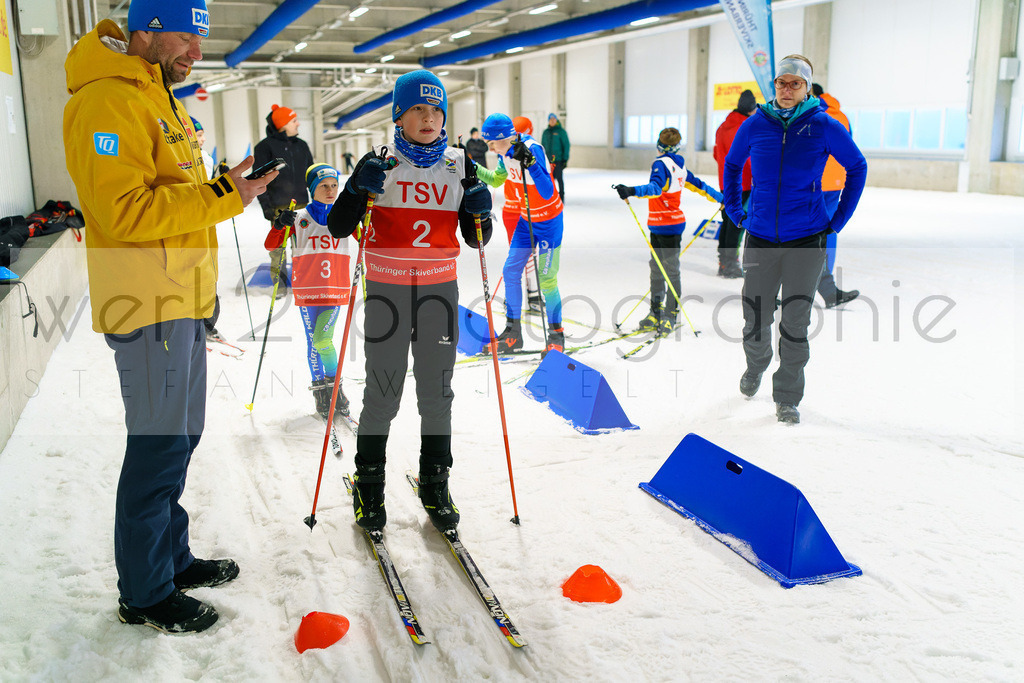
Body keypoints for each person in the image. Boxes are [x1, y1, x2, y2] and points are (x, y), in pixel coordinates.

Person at [63, 0, 277, 633]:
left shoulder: (156, 95)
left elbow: (176, 192)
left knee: (180, 440)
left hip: (179, 298)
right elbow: (125, 211)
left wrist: (224, 188)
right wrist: (222, 195)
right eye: (187, 36)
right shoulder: (107, 101)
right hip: (147, 302)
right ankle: (145, 593)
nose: (197, 52)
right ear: (148, 31)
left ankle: (171, 559)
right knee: (157, 449)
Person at [327, 70, 493, 532]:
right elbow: (339, 226)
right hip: (389, 293)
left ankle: (435, 482)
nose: (429, 118)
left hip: (439, 293)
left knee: (437, 392)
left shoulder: (460, 165)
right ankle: (369, 483)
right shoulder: (379, 162)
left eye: (436, 109)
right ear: (399, 115)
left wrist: (482, 211)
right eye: (418, 108)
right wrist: (355, 189)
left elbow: (477, 239)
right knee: (383, 392)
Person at [723, 55, 867, 424]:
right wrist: (735, 209)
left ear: (806, 88)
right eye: (781, 82)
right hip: (760, 238)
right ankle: (757, 363)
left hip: (806, 240)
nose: (787, 89)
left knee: (795, 322)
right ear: (774, 85)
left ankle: (787, 396)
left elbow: (857, 166)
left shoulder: (823, 124)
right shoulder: (756, 124)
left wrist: (839, 219)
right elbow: (733, 164)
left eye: (795, 83)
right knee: (755, 317)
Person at [613, 127, 724, 334]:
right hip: (662, 225)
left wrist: (631, 190)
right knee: (658, 268)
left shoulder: (660, 164)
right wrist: (721, 198)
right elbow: (700, 186)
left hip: (666, 225)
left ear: (659, 146)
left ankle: (670, 315)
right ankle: (656, 312)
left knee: (668, 270)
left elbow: (655, 189)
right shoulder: (679, 166)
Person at [265, 164, 351, 421]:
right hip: (307, 290)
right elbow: (271, 244)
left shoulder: (344, 215)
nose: (330, 191)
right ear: (312, 188)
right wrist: (279, 224)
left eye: (334, 185)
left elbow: (370, 238)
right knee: (313, 342)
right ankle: (320, 391)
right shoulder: (299, 217)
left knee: (323, 340)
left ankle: (335, 388)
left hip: (334, 289)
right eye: (324, 186)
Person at [481, 113, 566, 354]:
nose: (490, 149)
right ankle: (513, 333)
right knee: (511, 270)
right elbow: (496, 180)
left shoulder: (533, 148)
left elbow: (548, 191)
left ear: (504, 137)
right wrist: (469, 166)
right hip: (525, 221)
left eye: (492, 143)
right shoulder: (504, 154)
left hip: (548, 222)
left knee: (546, 279)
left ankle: (556, 336)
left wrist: (531, 163)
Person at [473, 116, 540, 310]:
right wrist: (472, 166)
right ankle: (530, 296)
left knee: (526, 253)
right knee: (524, 254)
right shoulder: (508, 154)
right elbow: (496, 179)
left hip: (526, 210)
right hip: (516, 210)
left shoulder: (529, 150)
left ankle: (529, 295)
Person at [254, 103, 314, 293]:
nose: (298, 124)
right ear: (282, 125)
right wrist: (266, 206)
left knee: (302, 248)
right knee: (278, 250)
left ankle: (303, 284)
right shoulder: (264, 147)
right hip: (278, 207)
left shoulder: (302, 145)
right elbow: (259, 179)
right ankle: (279, 287)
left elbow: (311, 175)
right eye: (294, 120)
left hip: (302, 206)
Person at [811, 82, 860, 308]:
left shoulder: (811, 113)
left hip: (814, 181)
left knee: (805, 232)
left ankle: (820, 286)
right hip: (836, 181)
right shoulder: (841, 116)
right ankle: (826, 284)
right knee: (828, 230)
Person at [713, 90, 756, 279]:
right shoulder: (744, 128)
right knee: (736, 224)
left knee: (727, 222)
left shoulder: (723, 126)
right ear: (750, 109)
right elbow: (749, 158)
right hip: (742, 183)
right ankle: (730, 263)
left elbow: (716, 153)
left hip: (725, 182)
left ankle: (724, 262)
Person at [191, 116, 226, 341]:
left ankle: (207, 324)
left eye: (203, 134)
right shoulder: (183, 159)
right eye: (198, 134)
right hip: (192, 223)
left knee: (208, 274)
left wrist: (222, 178)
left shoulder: (206, 157)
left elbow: (209, 189)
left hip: (206, 223)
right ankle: (198, 325)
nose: (203, 139)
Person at [541, 113, 570, 201]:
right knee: (550, 180)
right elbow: (542, 146)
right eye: (550, 119)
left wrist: (565, 159)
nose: (552, 121)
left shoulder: (561, 132)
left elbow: (566, 145)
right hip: (548, 161)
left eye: (554, 119)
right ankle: (551, 198)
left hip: (558, 160)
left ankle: (561, 197)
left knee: (559, 179)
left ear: (556, 120)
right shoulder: (545, 132)